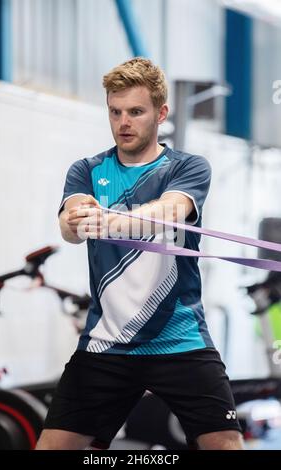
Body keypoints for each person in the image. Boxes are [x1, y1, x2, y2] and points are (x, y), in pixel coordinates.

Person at [36, 58, 243, 450]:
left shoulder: (187, 167)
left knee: (226, 444)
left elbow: (169, 211)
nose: (123, 123)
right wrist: (76, 222)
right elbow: (70, 227)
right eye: (115, 112)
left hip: (181, 341)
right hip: (105, 344)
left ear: (160, 113)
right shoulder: (87, 170)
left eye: (135, 112)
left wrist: (109, 221)